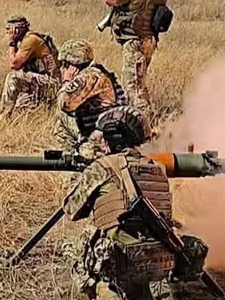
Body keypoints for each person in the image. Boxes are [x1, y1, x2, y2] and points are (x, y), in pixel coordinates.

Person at [60, 105, 178, 299]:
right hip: (157, 261)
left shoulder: (103, 167)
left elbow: (71, 209)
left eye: (105, 139)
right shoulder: (157, 168)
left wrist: (83, 173)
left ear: (113, 138)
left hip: (120, 261)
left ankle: (104, 290)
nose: (103, 144)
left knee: (77, 244)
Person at [103, 0, 169, 127]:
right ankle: (144, 122)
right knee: (140, 83)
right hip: (150, 41)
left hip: (134, 42)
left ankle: (149, 126)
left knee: (132, 87)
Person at [51, 39, 126, 164]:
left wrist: (67, 82)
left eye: (65, 65)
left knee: (61, 116)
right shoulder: (96, 72)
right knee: (62, 120)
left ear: (73, 65)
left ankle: (77, 160)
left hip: (106, 138)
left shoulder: (89, 76)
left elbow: (64, 103)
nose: (62, 69)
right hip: (108, 131)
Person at [0, 15, 62, 117]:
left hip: (52, 84)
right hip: (43, 82)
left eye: (9, 29)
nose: (8, 33)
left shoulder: (30, 40)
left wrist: (11, 43)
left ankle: (3, 116)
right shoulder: (25, 40)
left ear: (17, 30)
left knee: (13, 77)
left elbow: (14, 64)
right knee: (20, 109)